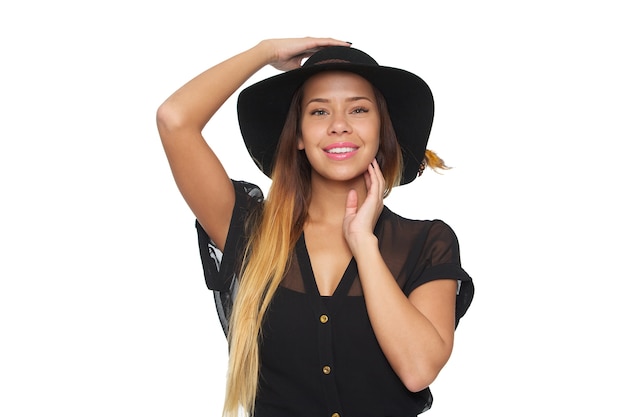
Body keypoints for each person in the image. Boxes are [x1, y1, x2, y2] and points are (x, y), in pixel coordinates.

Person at [157, 37, 474, 417]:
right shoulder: (250, 230)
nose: (339, 125)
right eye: (319, 112)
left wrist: (363, 244)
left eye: (358, 110)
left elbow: (418, 369)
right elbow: (174, 120)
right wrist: (266, 52)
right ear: (299, 137)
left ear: (380, 128)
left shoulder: (427, 243)